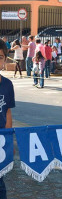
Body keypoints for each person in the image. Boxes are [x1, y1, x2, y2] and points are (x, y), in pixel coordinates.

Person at [0, 39, 15, 199]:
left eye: (0, 57)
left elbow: (8, 112)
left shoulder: (7, 85)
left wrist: (8, 141)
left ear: (4, 60)